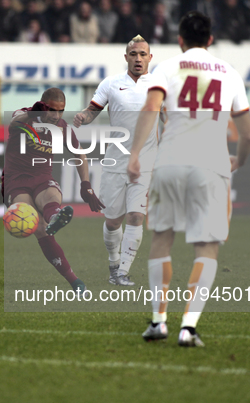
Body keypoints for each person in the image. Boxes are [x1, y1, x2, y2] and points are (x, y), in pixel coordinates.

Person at [127, 11, 250, 346]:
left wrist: (136, 154)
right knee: (207, 246)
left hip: (169, 162)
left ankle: (158, 321)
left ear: (180, 40)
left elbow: (151, 109)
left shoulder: (167, 68)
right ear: (210, 40)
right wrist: (237, 161)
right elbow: (247, 134)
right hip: (211, 165)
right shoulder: (229, 73)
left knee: (161, 237)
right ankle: (189, 327)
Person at [73, 35, 157, 287]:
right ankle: (113, 262)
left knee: (135, 217)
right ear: (126, 57)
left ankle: (122, 272)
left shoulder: (159, 86)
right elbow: (92, 111)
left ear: (150, 58)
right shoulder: (111, 84)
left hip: (145, 162)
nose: (138, 58)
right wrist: (83, 118)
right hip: (115, 161)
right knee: (112, 221)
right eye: (134, 54)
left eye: (143, 54)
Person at [3, 88, 105, 296]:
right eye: (52, 110)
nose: (56, 116)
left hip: (42, 177)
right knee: (38, 226)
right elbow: (14, 124)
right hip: (15, 181)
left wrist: (86, 185)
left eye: (61, 111)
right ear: (42, 105)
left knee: (50, 195)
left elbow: (80, 155)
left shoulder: (61, 127)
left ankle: (55, 217)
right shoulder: (23, 115)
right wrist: (34, 113)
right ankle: (73, 279)